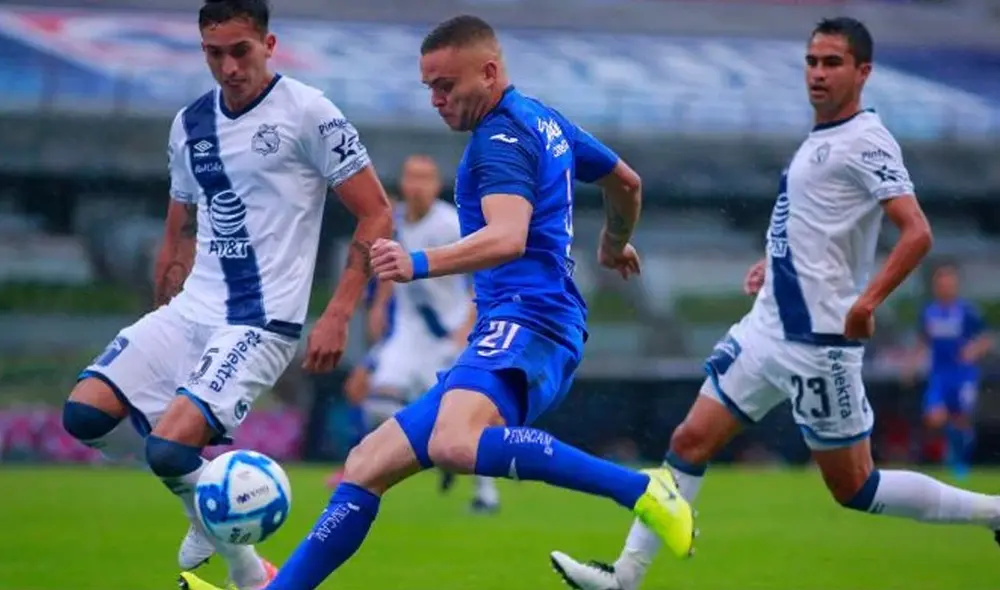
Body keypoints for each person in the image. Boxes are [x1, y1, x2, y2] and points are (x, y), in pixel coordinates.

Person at [178, 13, 693, 590]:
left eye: (446, 86)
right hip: (527, 320)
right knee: (367, 463)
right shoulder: (542, 118)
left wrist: (417, 262)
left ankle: (644, 490)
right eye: (429, 87)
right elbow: (626, 182)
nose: (436, 100)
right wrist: (614, 241)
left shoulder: (498, 141)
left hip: (530, 318)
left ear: (490, 72)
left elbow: (508, 237)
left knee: (453, 443)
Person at [550, 17, 1000, 590]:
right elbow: (818, 225)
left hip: (820, 345)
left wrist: (869, 302)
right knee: (689, 440)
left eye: (832, 62)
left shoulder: (866, 140)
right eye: (812, 61)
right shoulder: (818, 139)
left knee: (855, 488)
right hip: (768, 327)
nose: (817, 73)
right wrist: (774, 261)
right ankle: (624, 578)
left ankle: (995, 511)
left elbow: (917, 233)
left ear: (863, 72)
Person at [59, 1, 393, 589]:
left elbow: (375, 213)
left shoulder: (309, 112)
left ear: (269, 44)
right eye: (215, 53)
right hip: (191, 310)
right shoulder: (190, 123)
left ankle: (245, 567)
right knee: (84, 414)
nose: (229, 66)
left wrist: (339, 312)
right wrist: (165, 290)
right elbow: (180, 221)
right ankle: (207, 499)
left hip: (261, 322)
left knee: (168, 452)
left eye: (241, 50)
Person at [328, 155, 497, 513]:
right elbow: (391, 268)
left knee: (470, 412)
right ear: (403, 182)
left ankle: (485, 494)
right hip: (408, 332)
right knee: (376, 403)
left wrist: (469, 325)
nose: (417, 185)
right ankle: (429, 453)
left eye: (425, 178)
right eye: (411, 177)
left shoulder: (451, 222)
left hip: (449, 332)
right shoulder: (395, 220)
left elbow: (481, 275)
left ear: (437, 185)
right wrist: (378, 307)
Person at [908, 262, 992, 477]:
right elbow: (922, 340)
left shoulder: (967, 311)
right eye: (941, 283)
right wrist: (911, 364)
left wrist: (973, 350)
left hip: (963, 375)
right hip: (939, 374)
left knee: (961, 419)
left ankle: (960, 462)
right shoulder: (929, 311)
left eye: (949, 283)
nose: (945, 287)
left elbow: (985, 339)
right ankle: (951, 451)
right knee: (934, 417)